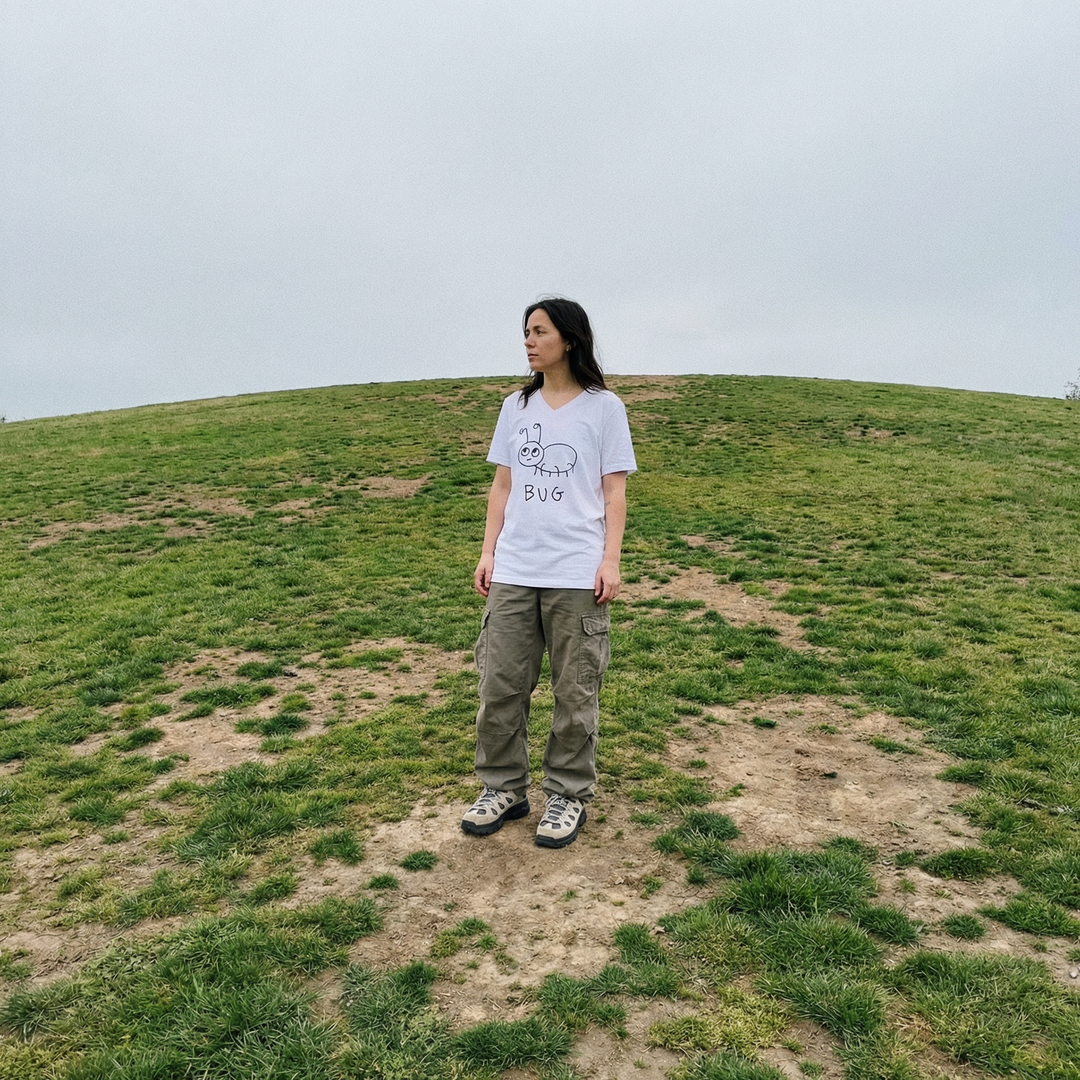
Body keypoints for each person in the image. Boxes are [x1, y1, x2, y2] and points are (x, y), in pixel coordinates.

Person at [462, 297, 637, 848]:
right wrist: (489, 552)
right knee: (499, 685)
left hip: (576, 574)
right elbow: (503, 485)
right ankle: (504, 788)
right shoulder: (516, 406)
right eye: (525, 332)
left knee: (575, 690)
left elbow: (615, 490)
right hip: (516, 568)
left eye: (539, 332)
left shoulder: (604, 408)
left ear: (569, 338)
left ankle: (567, 793)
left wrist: (609, 560)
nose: (528, 341)